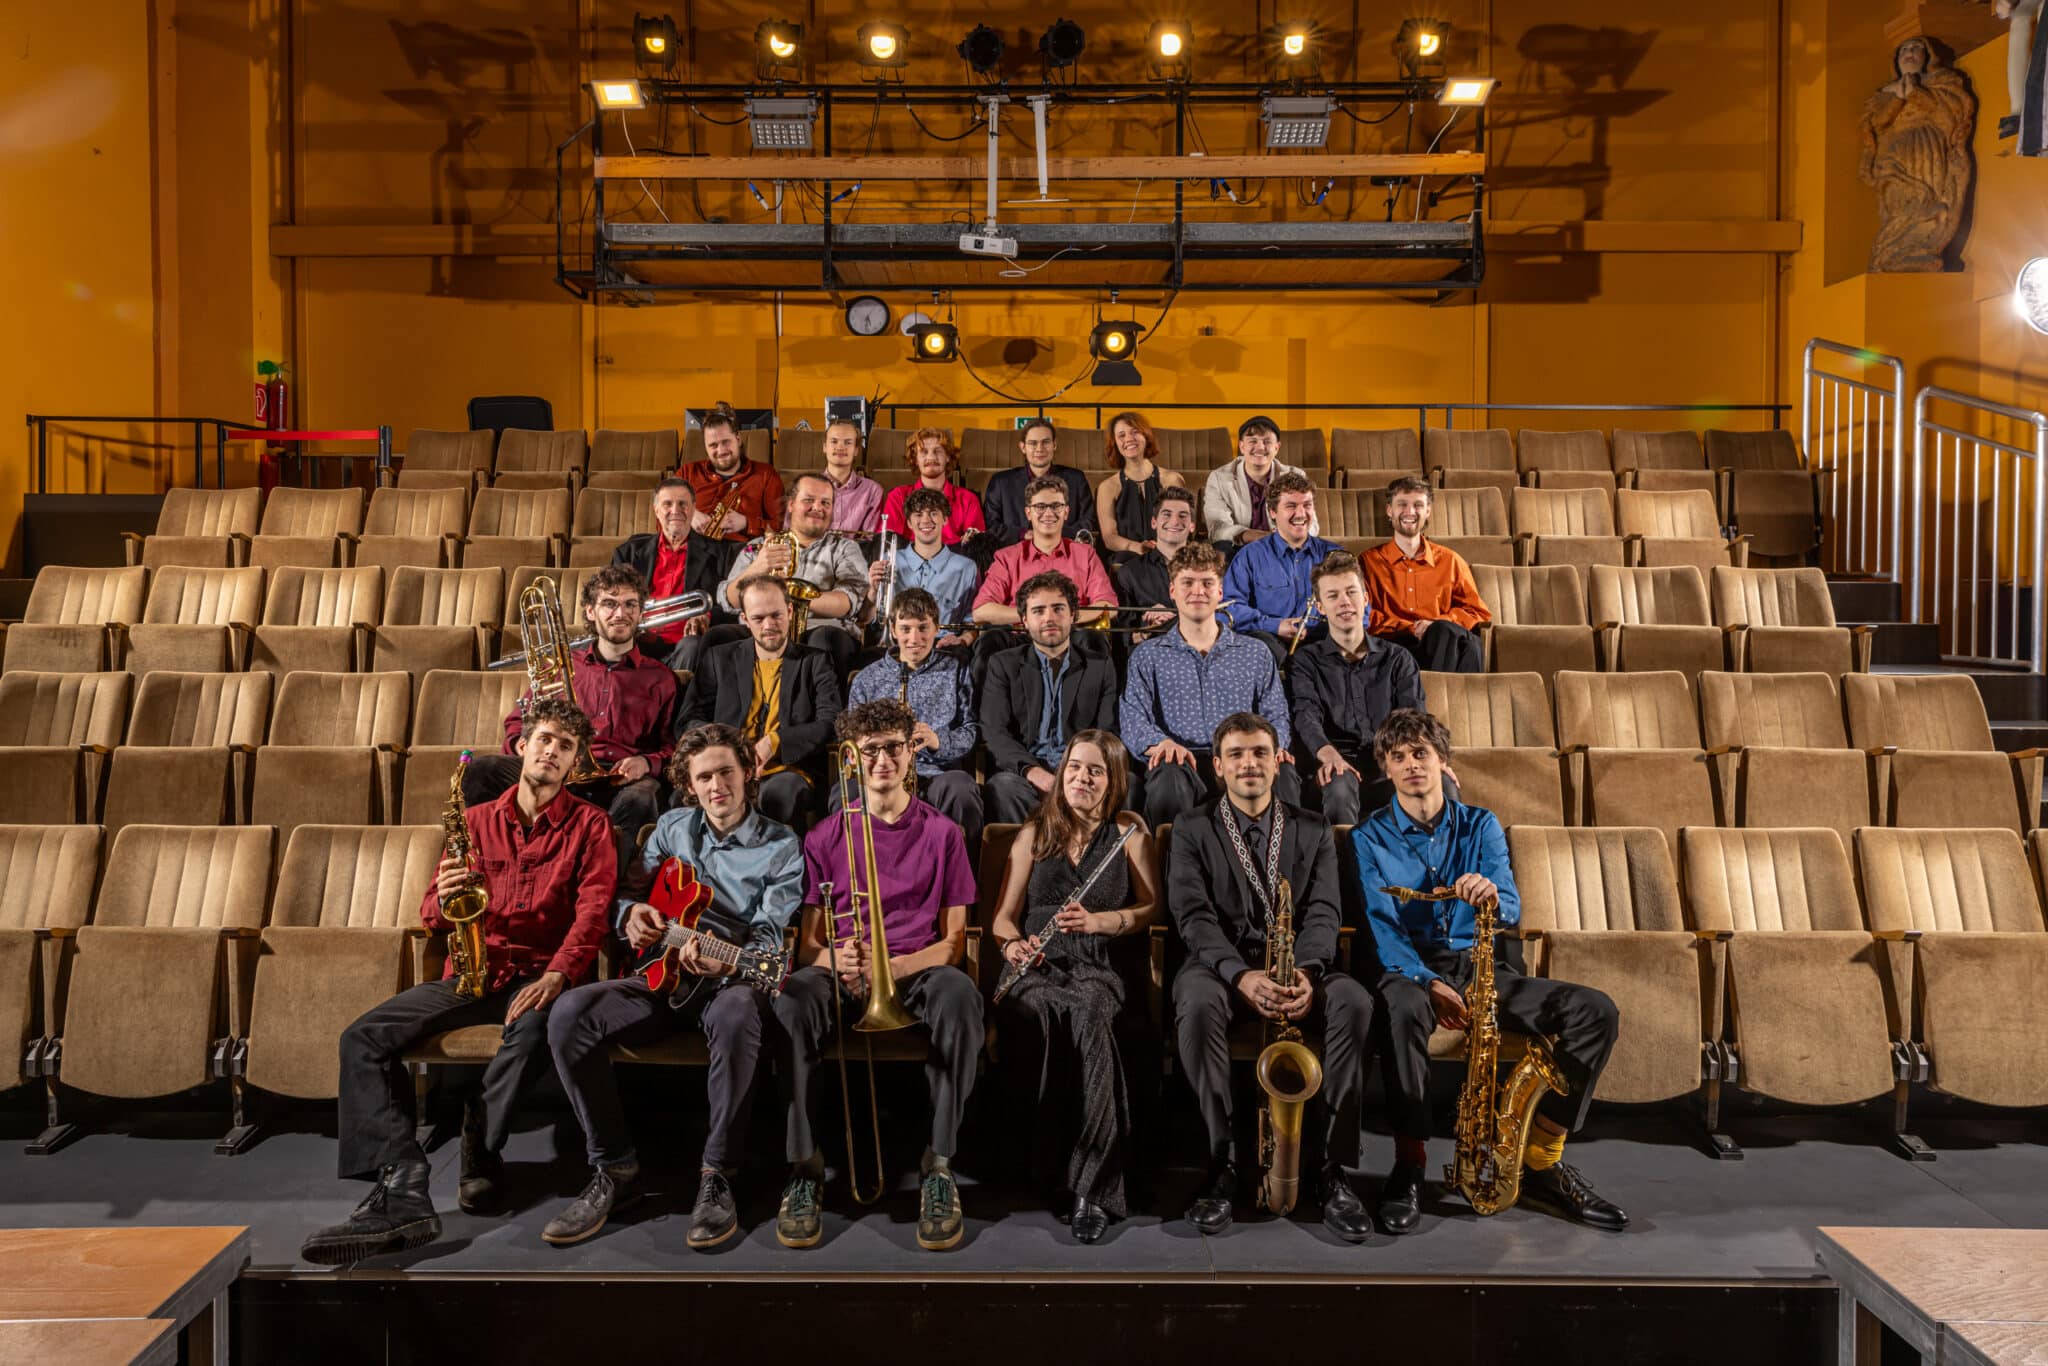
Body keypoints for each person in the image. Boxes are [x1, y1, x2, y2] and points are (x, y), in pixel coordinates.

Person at [301, 700, 614, 1265]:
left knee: (526, 1040)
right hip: (473, 971)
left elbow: (593, 913)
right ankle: (403, 1173)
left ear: (574, 763)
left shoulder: (591, 826)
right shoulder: (472, 823)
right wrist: (445, 902)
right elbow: (429, 912)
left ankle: (480, 1150)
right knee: (362, 1039)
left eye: (565, 747)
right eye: (544, 739)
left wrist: (557, 974)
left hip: (538, 976)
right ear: (522, 747)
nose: (551, 751)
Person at [1355, 709, 1629, 1236]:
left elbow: (1509, 906)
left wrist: (1491, 899)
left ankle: (1543, 1159)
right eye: (1399, 757)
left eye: (1421, 754)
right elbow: (1381, 928)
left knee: (1597, 1011)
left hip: (1480, 963)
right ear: (1386, 769)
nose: (1412, 765)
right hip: (1409, 968)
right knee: (1403, 1010)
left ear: (1443, 762)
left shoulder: (1480, 825)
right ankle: (1409, 1166)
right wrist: (1428, 982)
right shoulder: (1368, 838)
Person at [540, 723, 803, 1250]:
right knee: (569, 1014)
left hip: (726, 981)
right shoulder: (670, 829)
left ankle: (717, 1176)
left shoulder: (780, 846)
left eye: (725, 772)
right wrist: (630, 915)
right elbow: (628, 896)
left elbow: (770, 946)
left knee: (736, 1015)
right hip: (660, 976)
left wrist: (725, 964)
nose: (716, 786)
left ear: (747, 773)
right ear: (689, 783)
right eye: (703, 777)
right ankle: (615, 1169)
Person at [773, 700, 982, 1252]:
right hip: (845, 970)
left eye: (895, 746)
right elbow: (809, 944)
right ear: (853, 761)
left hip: (914, 969)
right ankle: (805, 1165)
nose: (884, 759)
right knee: (792, 998)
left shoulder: (945, 834)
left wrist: (892, 967)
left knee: (962, 997)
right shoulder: (823, 837)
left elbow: (954, 943)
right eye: (871, 751)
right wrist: (832, 961)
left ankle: (939, 1163)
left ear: (912, 751)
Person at [1168, 712, 1374, 1243]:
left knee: (1353, 1001)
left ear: (1279, 760)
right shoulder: (1193, 827)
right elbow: (1192, 916)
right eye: (1235, 754)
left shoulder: (1311, 827)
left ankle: (1332, 1170)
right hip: (1225, 970)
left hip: (1297, 967)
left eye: (1260, 752)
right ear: (1218, 767)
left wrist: (1305, 972)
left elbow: (1326, 912)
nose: (1248, 764)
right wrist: (1240, 976)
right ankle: (1221, 1164)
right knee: (1194, 1001)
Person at [990, 731, 1157, 1244]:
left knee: (1088, 1011)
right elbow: (1002, 919)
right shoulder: (1033, 834)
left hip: (1098, 964)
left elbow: (1153, 909)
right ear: (1061, 775)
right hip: (1037, 965)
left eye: (1095, 771)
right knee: (1039, 1011)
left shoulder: (1129, 834)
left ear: (1112, 780)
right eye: (1075, 768)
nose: (1082, 778)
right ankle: (1047, 1168)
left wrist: (1103, 922)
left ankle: (1094, 1187)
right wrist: (1012, 947)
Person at [465, 567, 677, 870]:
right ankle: (488, 870)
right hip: (559, 767)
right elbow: (518, 724)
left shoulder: (661, 679)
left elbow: (672, 748)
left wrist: (646, 763)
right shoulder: (560, 666)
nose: (621, 613)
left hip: (617, 779)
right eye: (609, 604)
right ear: (590, 611)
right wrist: (525, 747)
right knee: (484, 770)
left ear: (640, 612)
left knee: (643, 797)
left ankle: (600, 887)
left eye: (630, 604)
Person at [1121, 543, 1300, 826]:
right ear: (1172, 591)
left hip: (1240, 759)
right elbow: (1134, 718)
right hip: (1181, 763)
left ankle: (1281, 868)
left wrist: (1271, 746)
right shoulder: (1148, 656)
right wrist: (1161, 743)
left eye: (1207, 583)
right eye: (1188, 583)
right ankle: (1172, 867)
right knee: (1168, 775)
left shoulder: (1254, 652)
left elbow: (1275, 713)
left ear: (1220, 591)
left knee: (1282, 771)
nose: (1198, 591)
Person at [679, 578, 844, 830]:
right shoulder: (718, 658)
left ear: (790, 611)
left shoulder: (817, 662)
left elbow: (830, 722)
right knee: (681, 801)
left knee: (780, 795)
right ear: (744, 619)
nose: (769, 626)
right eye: (758, 619)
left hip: (787, 770)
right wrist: (725, 748)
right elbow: (689, 719)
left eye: (776, 615)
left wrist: (775, 742)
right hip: (724, 770)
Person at [1287, 552, 1423, 827]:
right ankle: (1345, 869)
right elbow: (1306, 715)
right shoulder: (1305, 661)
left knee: (1439, 782)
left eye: (1351, 592)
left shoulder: (1397, 658)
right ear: (1321, 607)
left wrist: (1403, 759)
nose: (1344, 602)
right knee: (1339, 784)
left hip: (1389, 762)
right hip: (1334, 767)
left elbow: (1412, 718)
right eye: (1333, 595)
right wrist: (1329, 756)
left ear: (1365, 597)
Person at [846, 587, 984, 851]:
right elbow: (852, 738)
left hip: (938, 773)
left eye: (923, 628)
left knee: (962, 790)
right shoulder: (867, 678)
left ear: (936, 628)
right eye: (906, 629)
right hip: (882, 773)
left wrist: (938, 741)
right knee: (849, 793)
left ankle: (966, 882)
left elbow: (970, 730)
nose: (914, 638)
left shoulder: (956, 670)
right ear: (894, 630)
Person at [979, 571, 1122, 824]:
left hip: (1082, 772)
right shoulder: (1002, 665)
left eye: (1058, 609)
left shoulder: (1101, 666)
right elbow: (995, 731)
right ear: (1024, 620)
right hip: (1024, 774)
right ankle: (1030, 860)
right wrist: (1035, 773)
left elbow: (1105, 732)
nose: (1049, 618)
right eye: (1038, 611)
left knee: (1126, 783)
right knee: (1002, 787)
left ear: (1073, 615)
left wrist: (1077, 774)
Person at [719, 471, 870, 679]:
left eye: (826, 503)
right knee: (717, 637)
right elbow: (729, 600)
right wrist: (759, 565)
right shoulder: (759, 547)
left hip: (820, 629)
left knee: (825, 640)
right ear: (791, 504)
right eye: (809, 500)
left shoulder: (846, 548)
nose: (818, 508)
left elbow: (848, 602)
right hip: (760, 629)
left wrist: (789, 599)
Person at [970, 474, 1119, 669]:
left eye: (1056, 506)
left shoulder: (1085, 555)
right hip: (1021, 638)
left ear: (1066, 512)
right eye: (1040, 507)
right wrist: (1033, 617)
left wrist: (1063, 619)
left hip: (1071, 637)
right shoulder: (1007, 557)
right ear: (1028, 513)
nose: (1048, 513)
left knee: (1093, 641)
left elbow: (1109, 606)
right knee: (990, 642)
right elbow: (981, 611)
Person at [1858, 37, 1977, 273]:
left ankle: (1921, 251)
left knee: (1929, 201)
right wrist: (1898, 97)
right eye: (1904, 50)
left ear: (1927, 56)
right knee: (1898, 204)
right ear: (1896, 60)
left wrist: (1916, 92)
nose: (1909, 53)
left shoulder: (1942, 82)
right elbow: (1876, 124)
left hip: (1929, 155)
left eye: (1915, 49)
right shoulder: (1884, 93)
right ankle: (1891, 254)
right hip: (1892, 158)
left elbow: (1953, 112)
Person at [1362, 475, 1490, 674]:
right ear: (1389, 510)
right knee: (1466, 644)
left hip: (1442, 645)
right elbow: (1363, 615)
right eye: (1402, 504)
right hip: (1392, 647)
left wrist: (1436, 625)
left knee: (1463, 640)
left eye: (1418, 505)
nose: (1410, 512)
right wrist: (1410, 627)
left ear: (1428, 511)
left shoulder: (1450, 560)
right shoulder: (1368, 562)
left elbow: (1478, 612)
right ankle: (1455, 702)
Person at [609, 476, 734, 672]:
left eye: (682, 504)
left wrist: (707, 616)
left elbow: (729, 604)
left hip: (686, 645)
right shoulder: (628, 552)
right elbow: (611, 599)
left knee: (692, 646)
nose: (675, 510)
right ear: (656, 510)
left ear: (693, 508)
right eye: (667, 504)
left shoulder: (720, 553)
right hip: (639, 641)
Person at [1220, 471, 1343, 666]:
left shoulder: (1335, 555)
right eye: (1291, 506)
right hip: (1270, 645)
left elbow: (1361, 606)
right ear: (1272, 512)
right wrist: (1275, 625)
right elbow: (1229, 609)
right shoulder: (1250, 556)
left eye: (1307, 506)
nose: (1301, 514)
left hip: (1323, 643)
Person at [865, 486, 979, 646]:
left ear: (945, 519)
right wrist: (873, 591)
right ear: (909, 523)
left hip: (943, 647)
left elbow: (972, 622)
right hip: (897, 645)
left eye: (933, 513)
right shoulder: (889, 560)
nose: (926, 520)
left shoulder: (967, 567)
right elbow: (867, 620)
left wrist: (962, 640)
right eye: (918, 514)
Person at [1203, 415, 1315, 552]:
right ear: (1242, 446)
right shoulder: (1219, 478)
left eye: (1267, 441)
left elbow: (1312, 526)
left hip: (1283, 547)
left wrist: (1283, 538)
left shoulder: (1295, 476)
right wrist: (1257, 537)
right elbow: (1217, 529)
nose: (1260, 447)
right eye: (1253, 441)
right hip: (1239, 549)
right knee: (1222, 547)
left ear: (1277, 447)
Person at [1094, 411, 1189, 567]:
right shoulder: (1108, 487)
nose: (1129, 439)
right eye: (1121, 435)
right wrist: (1137, 547)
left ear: (1146, 436)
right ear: (1115, 444)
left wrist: (1162, 547)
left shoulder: (1171, 480)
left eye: (1135, 432)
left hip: (1169, 551)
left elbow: (1182, 523)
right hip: (1127, 556)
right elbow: (1109, 537)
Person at [680, 402, 785, 543]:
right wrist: (689, 516)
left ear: (738, 439)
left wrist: (747, 523)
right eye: (713, 445)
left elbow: (781, 528)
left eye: (726, 442)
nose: (721, 450)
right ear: (706, 447)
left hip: (743, 554)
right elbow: (662, 518)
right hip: (694, 553)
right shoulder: (687, 473)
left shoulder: (766, 475)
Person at [982, 418, 1096, 548]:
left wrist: (1051, 534)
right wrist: (1023, 534)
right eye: (1032, 443)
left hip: (1064, 551)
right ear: (1023, 447)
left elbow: (1088, 522)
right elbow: (991, 525)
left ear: (1054, 445)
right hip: (1015, 553)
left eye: (1045, 442)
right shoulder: (1000, 482)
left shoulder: (1076, 479)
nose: (1039, 449)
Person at [880, 428, 985, 546]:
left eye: (937, 451)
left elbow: (976, 549)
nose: (931, 457)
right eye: (924, 451)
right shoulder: (898, 497)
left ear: (948, 457)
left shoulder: (968, 499)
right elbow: (888, 544)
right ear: (915, 459)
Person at [1113, 484, 1197, 629]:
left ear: (1192, 526)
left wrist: (1174, 620)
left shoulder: (1209, 571)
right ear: (1154, 522)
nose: (1175, 521)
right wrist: (1148, 626)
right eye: (1167, 514)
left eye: (1182, 516)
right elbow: (1124, 634)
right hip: (1151, 647)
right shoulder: (1130, 573)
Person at [822, 419, 885, 535]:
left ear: (856, 450)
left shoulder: (872, 491)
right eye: (834, 441)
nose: (840, 447)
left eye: (848, 442)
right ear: (825, 447)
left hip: (856, 552)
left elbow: (868, 540)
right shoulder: (807, 488)